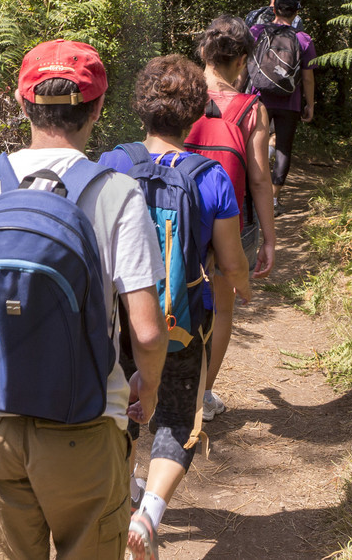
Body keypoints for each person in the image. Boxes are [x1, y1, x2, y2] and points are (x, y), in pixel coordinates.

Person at [0, 40, 169, 560]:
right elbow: (148, 331)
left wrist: (4, 361)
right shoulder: (117, 192)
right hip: (85, 426)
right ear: (98, 108)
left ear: (22, 104)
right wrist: (145, 392)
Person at [100, 56, 253, 559]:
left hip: (115, 317)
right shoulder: (211, 178)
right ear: (196, 113)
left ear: (140, 108)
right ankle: (151, 513)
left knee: (118, 410)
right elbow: (230, 262)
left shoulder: (111, 164)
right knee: (176, 417)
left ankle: (124, 503)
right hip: (181, 321)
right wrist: (245, 288)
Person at [189, 15, 277, 419]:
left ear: (204, 53)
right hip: (231, 222)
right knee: (222, 310)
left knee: (173, 297)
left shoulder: (178, 97)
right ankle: (203, 395)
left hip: (179, 218)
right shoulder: (251, 110)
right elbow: (259, 181)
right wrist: (269, 239)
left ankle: (161, 384)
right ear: (242, 60)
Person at [249, 0, 317, 191]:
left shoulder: (255, 32)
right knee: (283, 149)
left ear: (275, 8)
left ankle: (253, 194)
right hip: (290, 101)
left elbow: (244, 65)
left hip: (259, 98)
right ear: (296, 12)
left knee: (254, 145)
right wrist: (310, 105)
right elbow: (307, 78)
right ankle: (274, 197)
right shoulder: (304, 39)